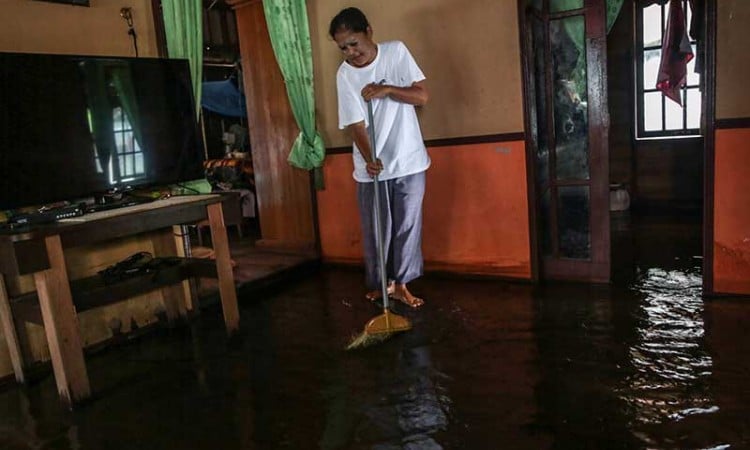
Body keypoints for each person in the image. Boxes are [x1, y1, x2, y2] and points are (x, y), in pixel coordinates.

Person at [329, 7, 429, 308]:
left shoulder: (396, 52)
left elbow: (421, 96)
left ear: (368, 32)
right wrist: (369, 157)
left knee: (407, 226)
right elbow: (355, 125)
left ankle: (402, 284)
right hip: (372, 165)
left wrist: (386, 89)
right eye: (343, 47)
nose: (350, 52)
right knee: (377, 231)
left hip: (409, 158)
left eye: (354, 43)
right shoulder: (345, 75)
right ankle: (382, 284)